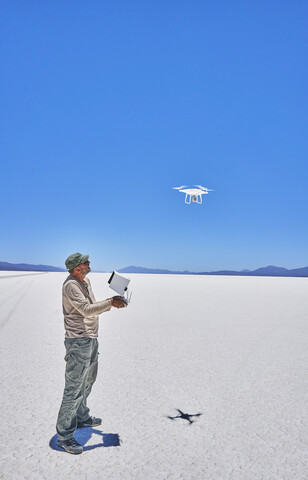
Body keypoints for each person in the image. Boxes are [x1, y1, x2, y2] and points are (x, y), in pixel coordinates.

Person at [56, 252, 126, 454]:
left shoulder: (85, 282)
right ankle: (65, 436)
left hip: (90, 339)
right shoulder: (71, 285)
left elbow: (91, 308)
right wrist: (110, 302)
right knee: (74, 387)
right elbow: (86, 310)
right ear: (77, 268)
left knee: (87, 381)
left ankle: (81, 416)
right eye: (85, 262)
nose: (89, 263)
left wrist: (110, 301)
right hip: (78, 342)